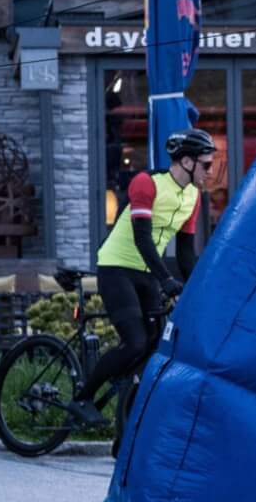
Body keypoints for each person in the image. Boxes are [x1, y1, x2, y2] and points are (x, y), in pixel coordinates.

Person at [66, 129, 214, 428]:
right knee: (135, 342)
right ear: (187, 162)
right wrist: (167, 280)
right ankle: (82, 399)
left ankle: (124, 411)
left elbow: (186, 252)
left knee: (154, 343)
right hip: (117, 267)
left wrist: (200, 290)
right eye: (206, 164)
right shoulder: (147, 183)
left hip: (147, 272)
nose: (210, 172)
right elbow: (142, 238)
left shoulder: (193, 196)